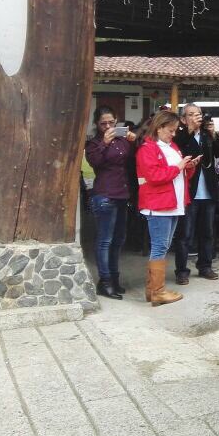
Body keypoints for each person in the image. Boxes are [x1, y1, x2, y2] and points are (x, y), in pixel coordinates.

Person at [136, 110, 198, 306]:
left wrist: (189, 166)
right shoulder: (147, 149)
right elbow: (154, 176)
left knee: (162, 246)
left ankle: (152, 289)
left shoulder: (171, 146)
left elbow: (177, 172)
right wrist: (179, 167)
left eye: (175, 130)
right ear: (159, 127)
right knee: (160, 246)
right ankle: (157, 291)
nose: (173, 134)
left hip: (172, 204)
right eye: (170, 130)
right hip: (158, 205)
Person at [85, 106, 137, 300]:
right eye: (103, 123)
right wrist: (105, 143)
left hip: (122, 194)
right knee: (105, 240)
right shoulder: (93, 144)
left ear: (117, 121)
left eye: (111, 122)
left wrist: (134, 141)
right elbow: (95, 162)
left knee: (118, 240)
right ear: (97, 124)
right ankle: (104, 282)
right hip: (104, 195)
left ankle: (114, 279)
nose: (107, 126)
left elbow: (133, 161)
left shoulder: (122, 140)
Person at [173, 104, 219, 284]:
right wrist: (190, 131)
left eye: (198, 114)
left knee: (207, 232)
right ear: (183, 120)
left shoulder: (207, 135)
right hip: (189, 192)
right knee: (185, 234)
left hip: (208, 191)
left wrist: (213, 134)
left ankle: (205, 266)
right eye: (191, 115)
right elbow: (180, 151)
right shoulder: (180, 135)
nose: (196, 118)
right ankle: (182, 270)